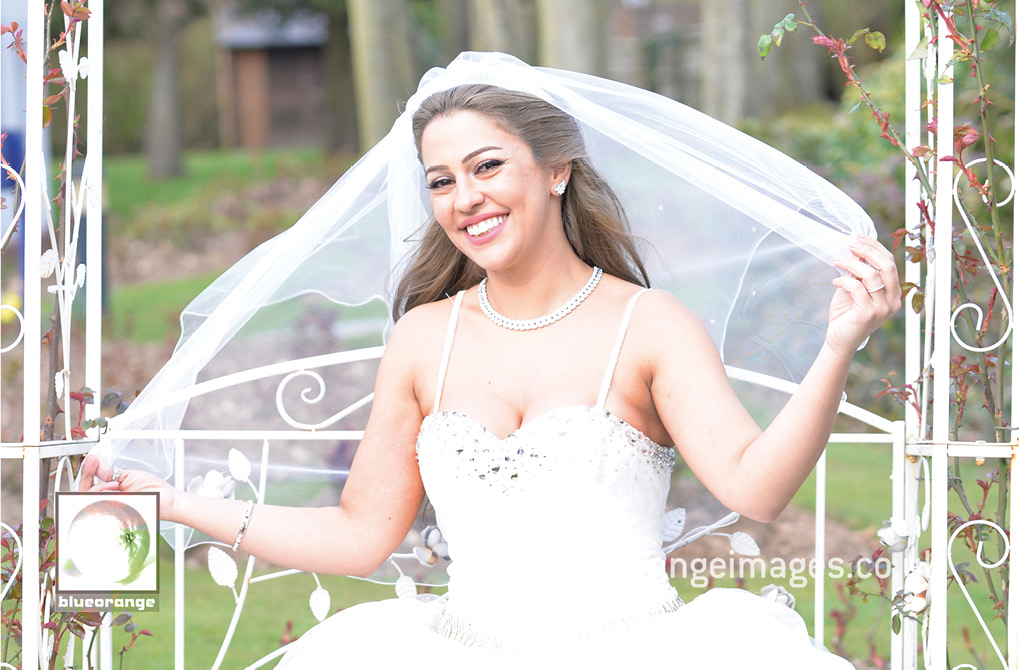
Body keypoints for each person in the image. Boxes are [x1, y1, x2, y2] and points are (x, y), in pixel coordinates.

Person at [81, 53, 898, 667]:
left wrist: (835, 347)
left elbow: (755, 485)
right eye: (440, 181)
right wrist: (175, 505)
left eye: (486, 166)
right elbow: (362, 534)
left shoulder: (646, 324)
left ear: (555, 170)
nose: (463, 198)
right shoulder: (423, 339)